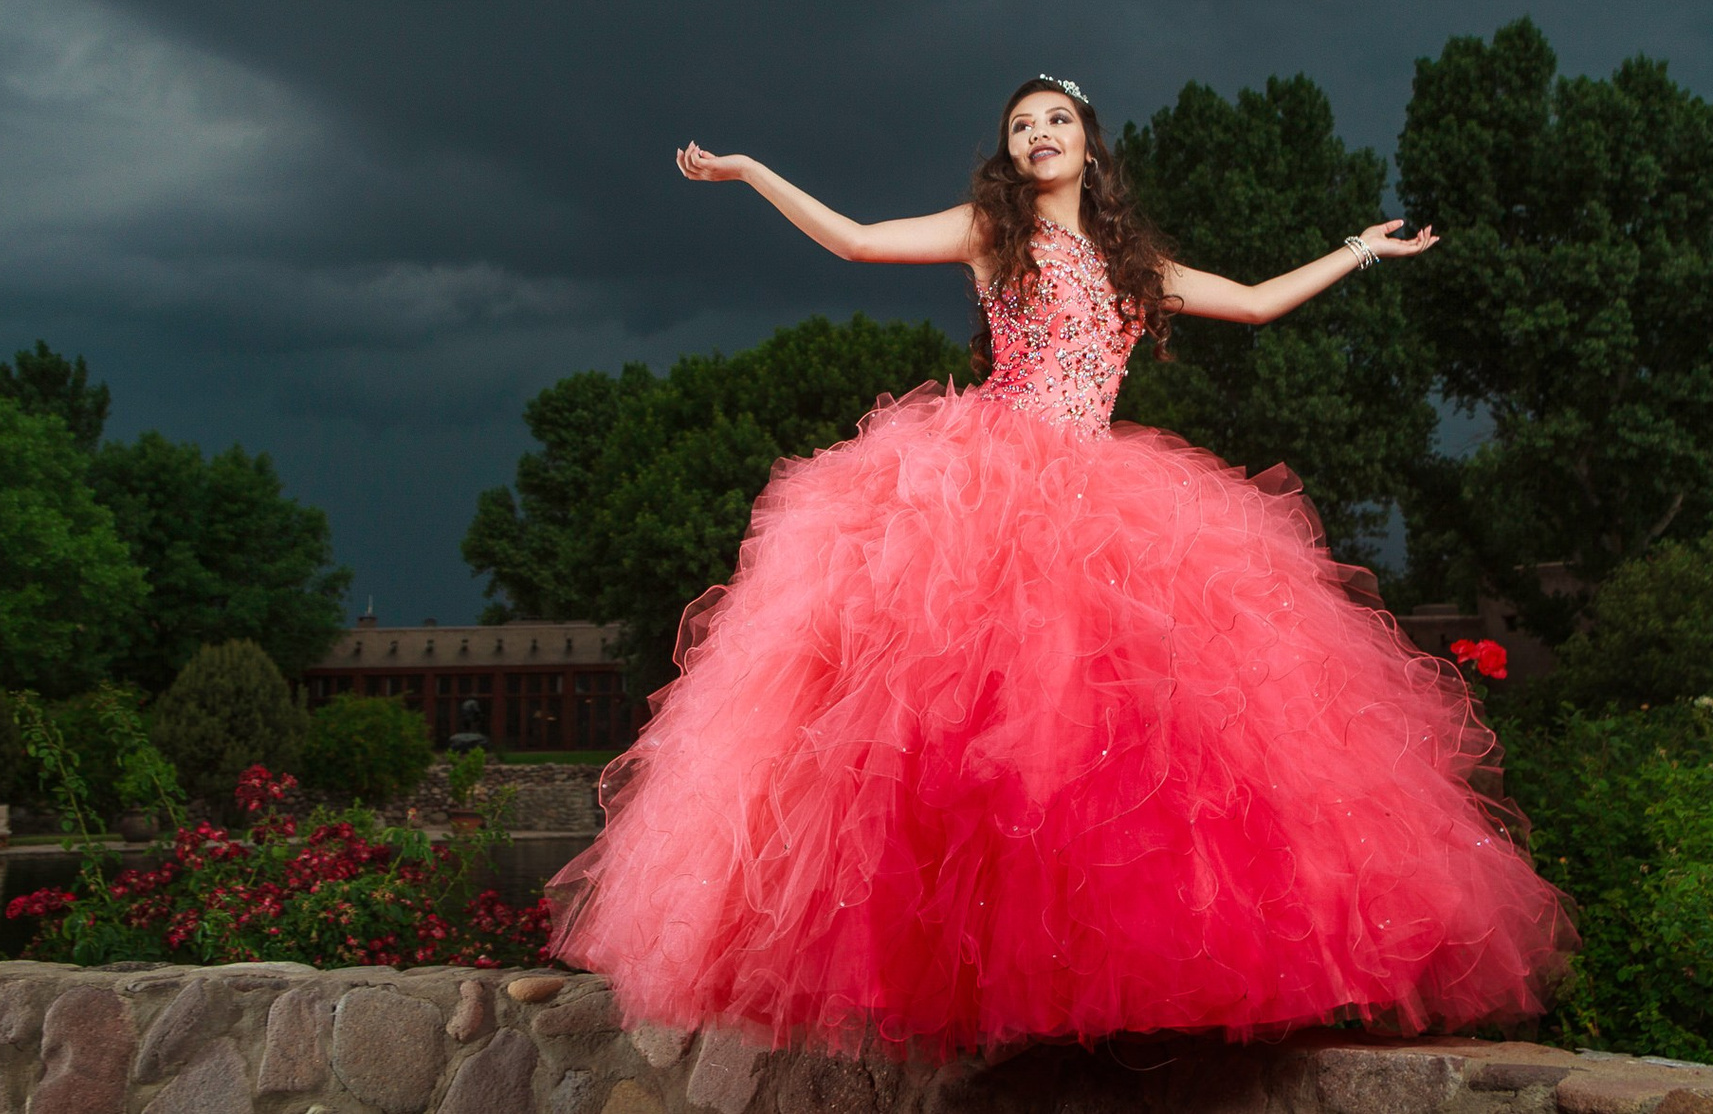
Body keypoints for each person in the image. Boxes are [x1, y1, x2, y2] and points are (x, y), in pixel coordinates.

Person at [547, 76, 1573, 1057]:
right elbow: (856, 240)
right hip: (989, 491)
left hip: (1101, 499)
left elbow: (1258, 303)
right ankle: (968, 981)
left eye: (1056, 121)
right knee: (969, 732)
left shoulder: (1132, 263)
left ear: (1088, 145)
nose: (1039, 135)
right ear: (1010, 151)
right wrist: (748, 171)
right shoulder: (993, 231)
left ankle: (1120, 975)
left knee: (1126, 741)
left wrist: (1357, 249)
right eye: (1022, 125)